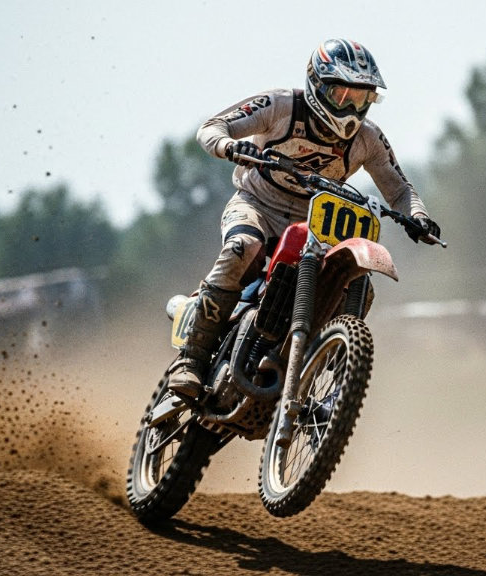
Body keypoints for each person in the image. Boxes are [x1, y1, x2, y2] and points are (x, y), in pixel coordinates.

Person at [169, 38, 441, 401]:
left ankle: (319, 370)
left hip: (312, 223)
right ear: (317, 84)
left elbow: (400, 189)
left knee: (349, 281)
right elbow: (213, 127)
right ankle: (191, 358)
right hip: (256, 205)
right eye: (342, 95)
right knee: (243, 248)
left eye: (361, 99)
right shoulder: (281, 105)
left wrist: (418, 217)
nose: (350, 108)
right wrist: (232, 146)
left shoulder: (369, 139)